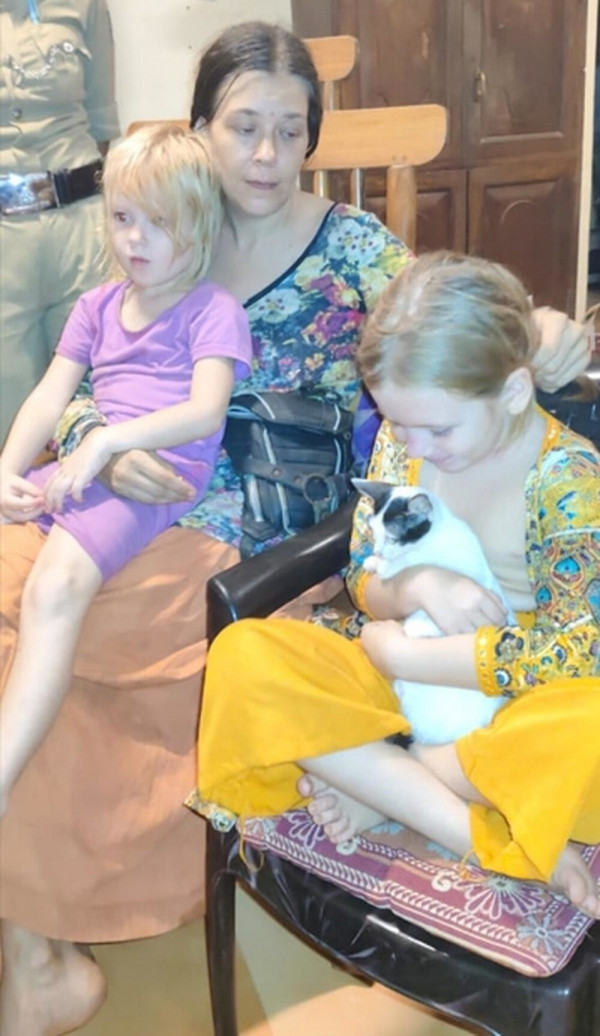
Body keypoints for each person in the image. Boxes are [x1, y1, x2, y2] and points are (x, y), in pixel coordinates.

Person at [0, 21, 593, 1035]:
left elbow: (446, 313)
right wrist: (100, 435)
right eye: (244, 127)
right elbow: (98, 360)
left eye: (290, 129)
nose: (269, 154)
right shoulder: (170, 224)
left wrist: (539, 329)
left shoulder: (352, 248)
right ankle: (34, 943)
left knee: (59, 609)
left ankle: (48, 940)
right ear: (200, 127)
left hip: (256, 519)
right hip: (130, 495)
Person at [194, 252, 600, 918]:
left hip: (513, 696)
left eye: (438, 429)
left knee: (589, 726)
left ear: (514, 392)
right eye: (397, 423)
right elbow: (363, 575)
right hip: (399, 671)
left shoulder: (567, 477)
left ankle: (381, 782)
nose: (414, 446)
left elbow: (574, 654)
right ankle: (475, 832)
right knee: (244, 655)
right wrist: (416, 586)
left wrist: (405, 658)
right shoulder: (405, 438)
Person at [0, 121, 252, 821]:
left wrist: (108, 443)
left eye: (158, 223)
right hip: (94, 465)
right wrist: (6, 467)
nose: (135, 239)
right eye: (121, 218)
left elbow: (204, 413)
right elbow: (49, 395)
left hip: (160, 475)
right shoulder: (98, 305)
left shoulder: (212, 308)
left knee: (55, 587)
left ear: (198, 224)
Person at [0, 0, 120, 443]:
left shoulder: (84, 5)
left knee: (98, 402)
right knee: (9, 428)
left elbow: (102, 124)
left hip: (81, 230)